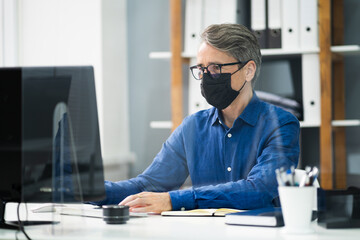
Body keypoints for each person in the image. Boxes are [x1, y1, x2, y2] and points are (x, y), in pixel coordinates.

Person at [94, 23, 300, 213]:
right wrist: (87, 190)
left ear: (248, 70)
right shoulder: (193, 126)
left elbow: (259, 190)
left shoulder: (280, 124)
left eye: (215, 68)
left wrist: (174, 200)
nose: (207, 77)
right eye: (201, 69)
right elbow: (148, 185)